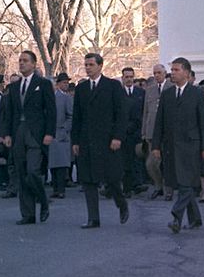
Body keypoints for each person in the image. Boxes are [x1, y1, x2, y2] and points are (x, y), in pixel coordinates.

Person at [152, 58, 204, 233]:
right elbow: (159, 122)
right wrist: (156, 145)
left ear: (186, 72)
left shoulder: (197, 93)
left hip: (191, 146)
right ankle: (196, 219)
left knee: (186, 183)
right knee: (182, 182)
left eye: (176, 70)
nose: (173, 73)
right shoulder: (167, 94)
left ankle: (176, 216)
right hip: (171, 146)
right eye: (172, 69)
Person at [71, 53, 129, 229]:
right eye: (86, 65)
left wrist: (117, 137)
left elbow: (121, 114)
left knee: (112, 178)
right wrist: (75, 141)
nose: (87, 68)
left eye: (91, 65)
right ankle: (93, 218)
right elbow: (77, 118)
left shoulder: (112, 86)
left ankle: (121, 203)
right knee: (88, 180)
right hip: (87, 140)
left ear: (100, 66)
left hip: (108, 140)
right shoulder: (81, 89)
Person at [0, 50, 56, 225]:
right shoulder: (13, 87)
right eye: (20, 61)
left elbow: (51, 111)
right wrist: (6, 134)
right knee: (21, 174)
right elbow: (8, 113)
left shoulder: (43, 84)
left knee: (33, 172)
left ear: (33, 64)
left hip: (36, 134)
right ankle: (28, 214)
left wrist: (49, 133)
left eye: (25, 61)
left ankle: (43, 201)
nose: (21, 63)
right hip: (18, 134)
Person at [141, 64, 174, 200]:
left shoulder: (171, 88)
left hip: (167, 132)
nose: (156, 76)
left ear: (165, 73)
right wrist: (144, 132)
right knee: (151, 163)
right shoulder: (150, 89)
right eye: (154, 73)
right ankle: (158, 185)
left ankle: (168, 189)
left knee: (167, 163)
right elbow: (146, 111)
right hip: (151, 131)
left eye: (159, 73)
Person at [121, 67, 147, 197]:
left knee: (137, 159)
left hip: (137, 132)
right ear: (122, 78)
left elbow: (144, 112)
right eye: (126, 77)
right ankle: (127, 188)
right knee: (125, 161)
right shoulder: (119, 92)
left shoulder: (140, 92)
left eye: (131, 77)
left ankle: (137, 184)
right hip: (122, 132)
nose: (129, 79)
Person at [48, 73, 73, 199]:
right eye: (64, 83)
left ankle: (61, 189)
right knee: (53, 163)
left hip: (62, 133)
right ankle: (55, 188)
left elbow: (70, 116)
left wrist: (65, 130)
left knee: (62, 164)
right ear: (58, 84)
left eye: (67, 83)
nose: (66, 85)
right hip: (51, 133)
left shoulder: (67, 98)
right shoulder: (52, 96)